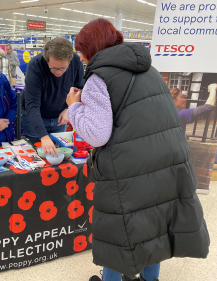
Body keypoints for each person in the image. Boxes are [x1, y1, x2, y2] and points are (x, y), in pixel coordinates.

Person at [66, 18, 210, 281]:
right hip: (167, 162)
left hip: (129, 169)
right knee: (153, 226)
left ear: (91, 48)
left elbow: (98, 134)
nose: (80, 57)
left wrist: (74, 107)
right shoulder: (150, 70)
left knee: (119, 233)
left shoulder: (100, 78)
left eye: (80, 50)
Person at [22, 37, 84, 156]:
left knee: (59, 154)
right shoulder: (35, 66)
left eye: (63, 68)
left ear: (69, 61)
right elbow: (32, 105)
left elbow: (79, 89)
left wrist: (69, 109)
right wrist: (44, 137)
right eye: (54, 68)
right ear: (46, 60)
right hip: (35, 116)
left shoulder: (76, 61)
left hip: (59, 117)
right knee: (37, 156)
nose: (59, 72)